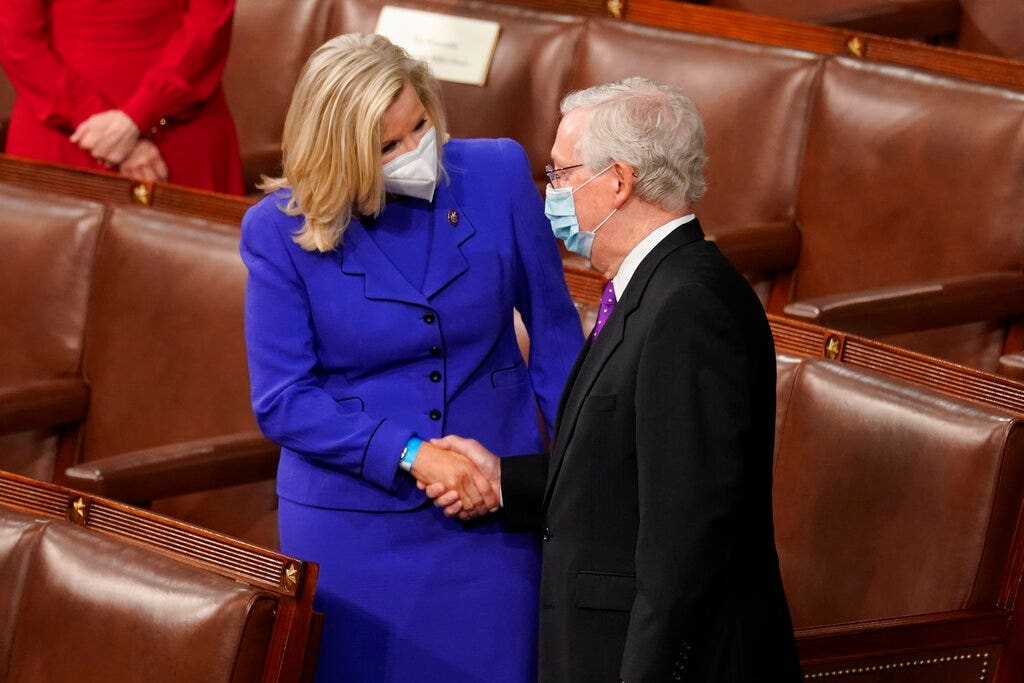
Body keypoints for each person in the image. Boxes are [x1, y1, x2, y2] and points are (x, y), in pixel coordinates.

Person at [426, 77, 802, 682]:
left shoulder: (689, 312)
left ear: (619, 182)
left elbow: (683, 542)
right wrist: (506, 481)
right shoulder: (649, 291)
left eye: (560, 174)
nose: (550, 194)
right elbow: (625, 472)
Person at [239, 33, 583, 683]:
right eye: (387, 147)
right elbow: (283, 398)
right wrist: (410, 452)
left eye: (419, 127)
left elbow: (557, 342)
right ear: (339, 156)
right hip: (354, 528)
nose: (414, 152)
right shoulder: (277, 230)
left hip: (491, 505)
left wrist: (581, 474)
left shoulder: (498, 174)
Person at [0, 0, 243, 193]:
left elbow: (209, 24)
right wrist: (126, 125)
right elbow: (16, 37)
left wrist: (140, 115)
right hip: (63, 139)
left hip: (179, 136)